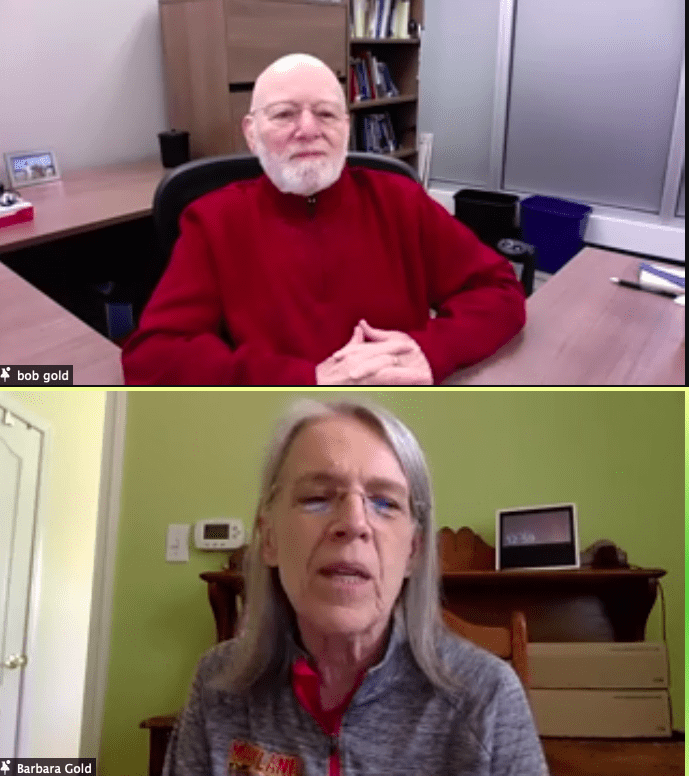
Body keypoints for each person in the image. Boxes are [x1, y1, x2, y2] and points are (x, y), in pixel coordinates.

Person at [163, 400, 547, 775]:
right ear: (269, 539)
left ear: (413, 550)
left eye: (384, 503)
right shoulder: (216, 686)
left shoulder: (489, 698)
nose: (354, 522)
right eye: (316, 498)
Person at [122, 54, 525, 385]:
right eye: (284, 115)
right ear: (251, 132)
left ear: (346, 128)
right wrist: (303, 378)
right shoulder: (213, 221)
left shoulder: (399, 200)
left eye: (326, 114)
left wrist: (432, 351)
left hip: (397, 407)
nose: (308, 129)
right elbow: (153, 356)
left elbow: (500, 289)